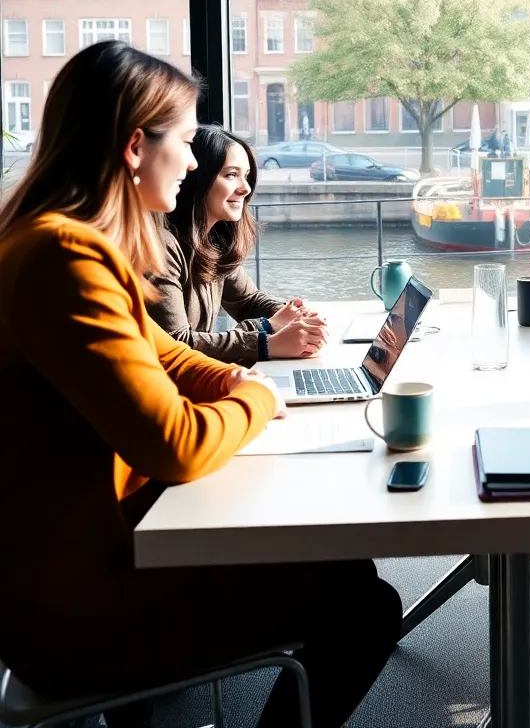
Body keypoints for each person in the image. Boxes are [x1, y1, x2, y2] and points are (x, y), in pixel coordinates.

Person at [0, 41, 401, 728]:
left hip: (66, 566)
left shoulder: (52, 239)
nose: (192, 161)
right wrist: (260, 395)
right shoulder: (65, 257)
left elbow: (165, 353)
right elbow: (175, 445)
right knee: (364, 604)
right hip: (72, 610)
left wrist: (234, 375)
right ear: (134, 147)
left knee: (347, 569)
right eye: (185, 142)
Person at [148, 124, 328, 365]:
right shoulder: (162, 245)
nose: (246, 188)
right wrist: (267, 336)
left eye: (246, 175)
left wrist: (292, 314)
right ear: (197, 178)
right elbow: (177, 344)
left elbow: (247, 300)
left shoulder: (214, 239)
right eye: (231, 175)